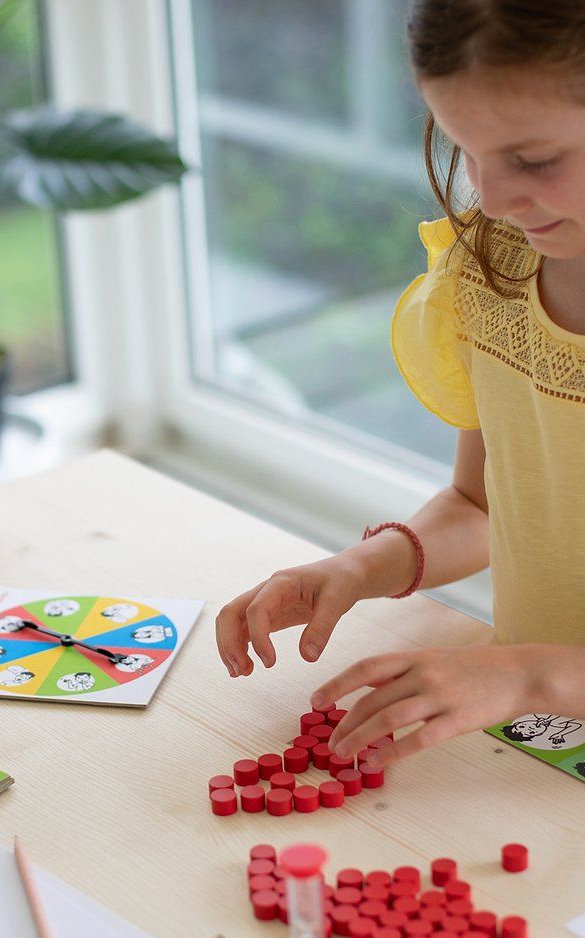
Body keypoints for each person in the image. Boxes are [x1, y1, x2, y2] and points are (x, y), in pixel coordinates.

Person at [216, 1, 585, 767]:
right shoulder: (492, 268)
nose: (492, 198)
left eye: (535, 159)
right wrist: (360, 568)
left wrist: (525, 676)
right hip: (535, 744)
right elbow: (483, 504)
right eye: (464, 150)